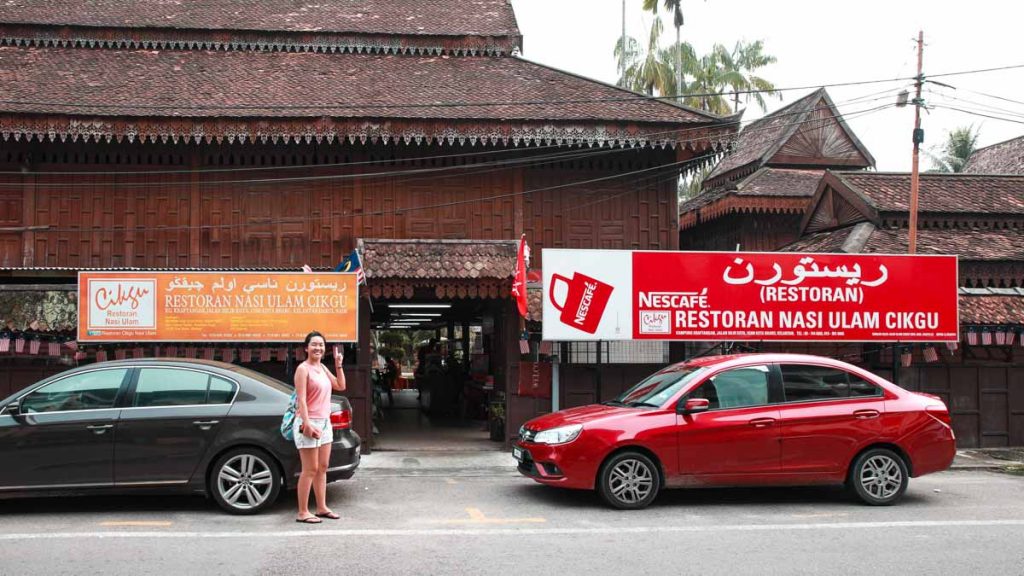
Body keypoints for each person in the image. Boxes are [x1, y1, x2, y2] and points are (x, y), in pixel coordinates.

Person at [293, 331, 346, 524]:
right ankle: (303, 511)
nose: (318, 348)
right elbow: (301, 400)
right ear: (306, 348)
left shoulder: (322, 367)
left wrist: (338, 364)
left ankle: (322, 507)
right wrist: (306, 423)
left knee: (323, 467)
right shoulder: (303, 369)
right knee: (310, 469)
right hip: (308, 421)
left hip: (324, 422)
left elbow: (340, 385)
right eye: (314, 345)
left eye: (321, 345)